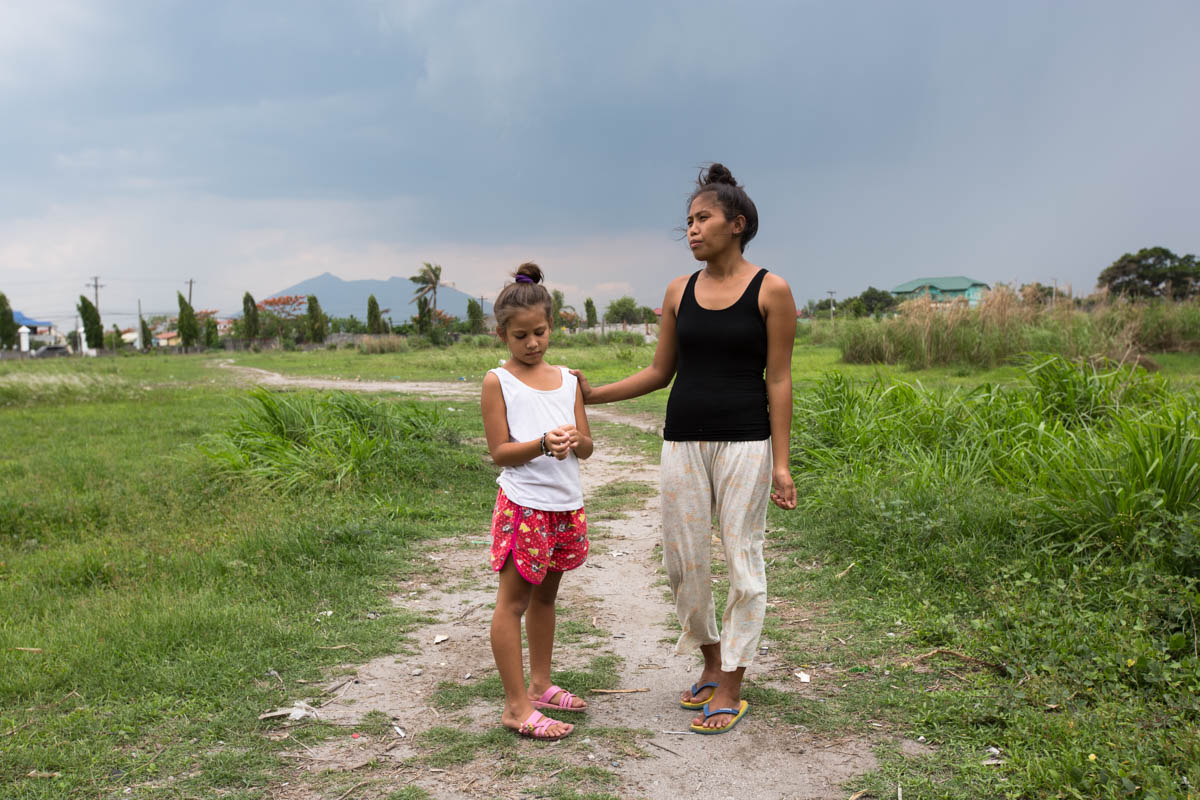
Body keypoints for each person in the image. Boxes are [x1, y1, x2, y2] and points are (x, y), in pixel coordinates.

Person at [572, 164, 797, 734]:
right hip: (682, 442)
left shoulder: (771, 289)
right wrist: (594, 395)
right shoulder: (679, 290)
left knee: (743, 559)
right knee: (684, 562)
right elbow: (659, 371)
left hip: (747, 441)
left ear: (737, 223)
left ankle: (733, 681)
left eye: (703, 219)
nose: (692, 230)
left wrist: (783, 463)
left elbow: (779, 380)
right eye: (688, 222)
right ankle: (710, 661)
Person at [482, 262, 595, 741]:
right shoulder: (498, 382)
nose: (532, 344)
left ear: (553, 326)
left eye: (540, 333)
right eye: (521, 336)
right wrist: (541, 445)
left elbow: (587, 445)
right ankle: (515, 706)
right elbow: (500, 452)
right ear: (502, 334)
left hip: (565, 506)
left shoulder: (568, 379)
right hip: (524, 506)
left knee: (547, 597)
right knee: (513, 603)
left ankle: (542, 685)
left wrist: (573, 440)